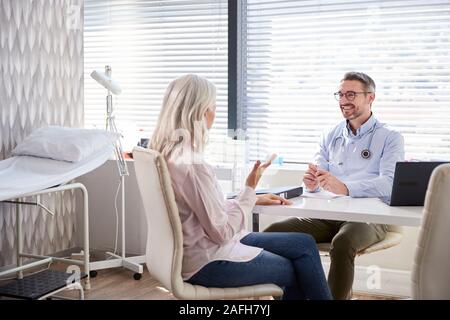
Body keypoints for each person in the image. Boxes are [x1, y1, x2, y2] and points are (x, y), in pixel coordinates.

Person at [150, 74, 332, 300]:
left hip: (197, 251)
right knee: (296, 268)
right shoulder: (192, 165)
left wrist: (252, 198)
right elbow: (222, 232)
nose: (214, 114)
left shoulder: (167, 154)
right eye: (213, 107)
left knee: (303, 243)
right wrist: (248, 189)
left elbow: (201, 210)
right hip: (210, 261)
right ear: (201, 111)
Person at [265, 71, 405, 300]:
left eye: (351, 94)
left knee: (343, 243)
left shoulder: (390, 137)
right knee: (273, 234)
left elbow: (389, 183)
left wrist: (346, 187)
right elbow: (320, 177)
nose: (343, 100)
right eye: (340, 94)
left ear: (371, 97)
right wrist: (312, 183)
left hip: (370, 217)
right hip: (328, 214)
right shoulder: (330, 134)